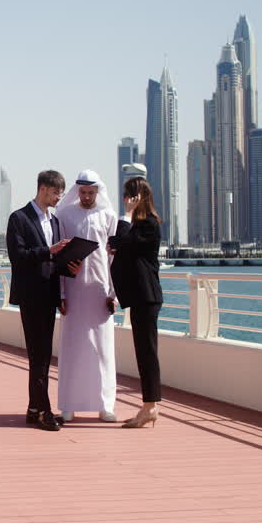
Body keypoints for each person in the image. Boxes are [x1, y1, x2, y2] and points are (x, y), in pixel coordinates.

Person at [7, 170, 79, 432]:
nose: (60, 196)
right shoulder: (19, 218)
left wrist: (70, 267)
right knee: (38, 355)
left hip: (49, 295)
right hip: (30, 295)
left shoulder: (56, 221)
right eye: (56, 191)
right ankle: (43, 411)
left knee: (43, 355)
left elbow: (55, 262)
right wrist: (49, 250)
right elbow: (18, 256)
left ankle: (34, 408)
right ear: (43, 189)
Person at [54, 170, 118, 423]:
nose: (87, 197)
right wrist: (60, 293)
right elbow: (59, 255)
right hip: (73, 289)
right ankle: (68, 404)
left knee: (103, 349)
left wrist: (114, 294)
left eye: (91, 192)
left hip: (100, 291)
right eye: (83, 192)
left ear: (98, 192)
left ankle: (106, 405)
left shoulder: (108, 215)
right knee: (72, 348)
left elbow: (113, 257)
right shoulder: (64, 215)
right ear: (77, 191)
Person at [108, 176, 164, 428]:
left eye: (129, 195)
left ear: (140, 197)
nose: (125, 200)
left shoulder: (149, 225)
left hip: (147, 296)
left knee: (147, 352)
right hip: (140, 297)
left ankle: (151, 407)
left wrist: (127, 215)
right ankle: (148, 406)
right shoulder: (138, 226)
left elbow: (120, 241)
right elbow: (114, 243)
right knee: (143, 351)